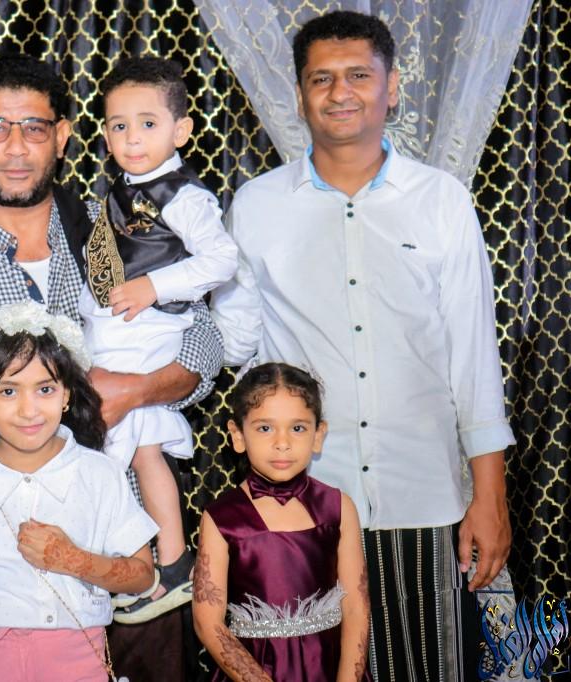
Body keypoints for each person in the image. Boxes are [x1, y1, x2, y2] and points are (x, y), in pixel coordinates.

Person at [0, 54, 225, 680]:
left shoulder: (121, 233)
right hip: (0, 571)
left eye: (35, 128)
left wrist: (134, 391)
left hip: (134, 551)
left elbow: (204, 342)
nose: (16, 147)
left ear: (63, 136)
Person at [210, 10, 515, 680]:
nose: (340, 92)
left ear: (392, 87)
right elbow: (238, 349)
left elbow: (474, 356)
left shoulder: (441, 201)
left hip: (424, 495)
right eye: (322, 79)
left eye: (358, 76)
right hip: (303, 506)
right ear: (299, 95)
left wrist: (489, 495)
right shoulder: (256, 207)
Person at [0, 301, 158, 681]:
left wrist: (73, 560)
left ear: (66, 393)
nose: (28, 410)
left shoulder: (100, 475)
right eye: (8, 391)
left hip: (79, 666)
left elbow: (143, 576)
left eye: (45, 389)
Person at [79, 56, 238, 624]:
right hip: (121, 329)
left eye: (147, 124)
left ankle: (156, 565)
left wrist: (154, 286)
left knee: (124, 446)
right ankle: (160, 564)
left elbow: (222, 259)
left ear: (181, 130)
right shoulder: (119, 191)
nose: (132, 137)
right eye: (118, 125)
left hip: (152, 331)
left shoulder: (183, 195)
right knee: (139, 450)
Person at [193, 363, 370, 681]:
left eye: (297, 428)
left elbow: (356, 607)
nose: (282, 442)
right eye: (265, 428)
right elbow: (208, 623)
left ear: (318, 435)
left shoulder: (339, 508)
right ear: (238, 435)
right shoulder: (221, 519)